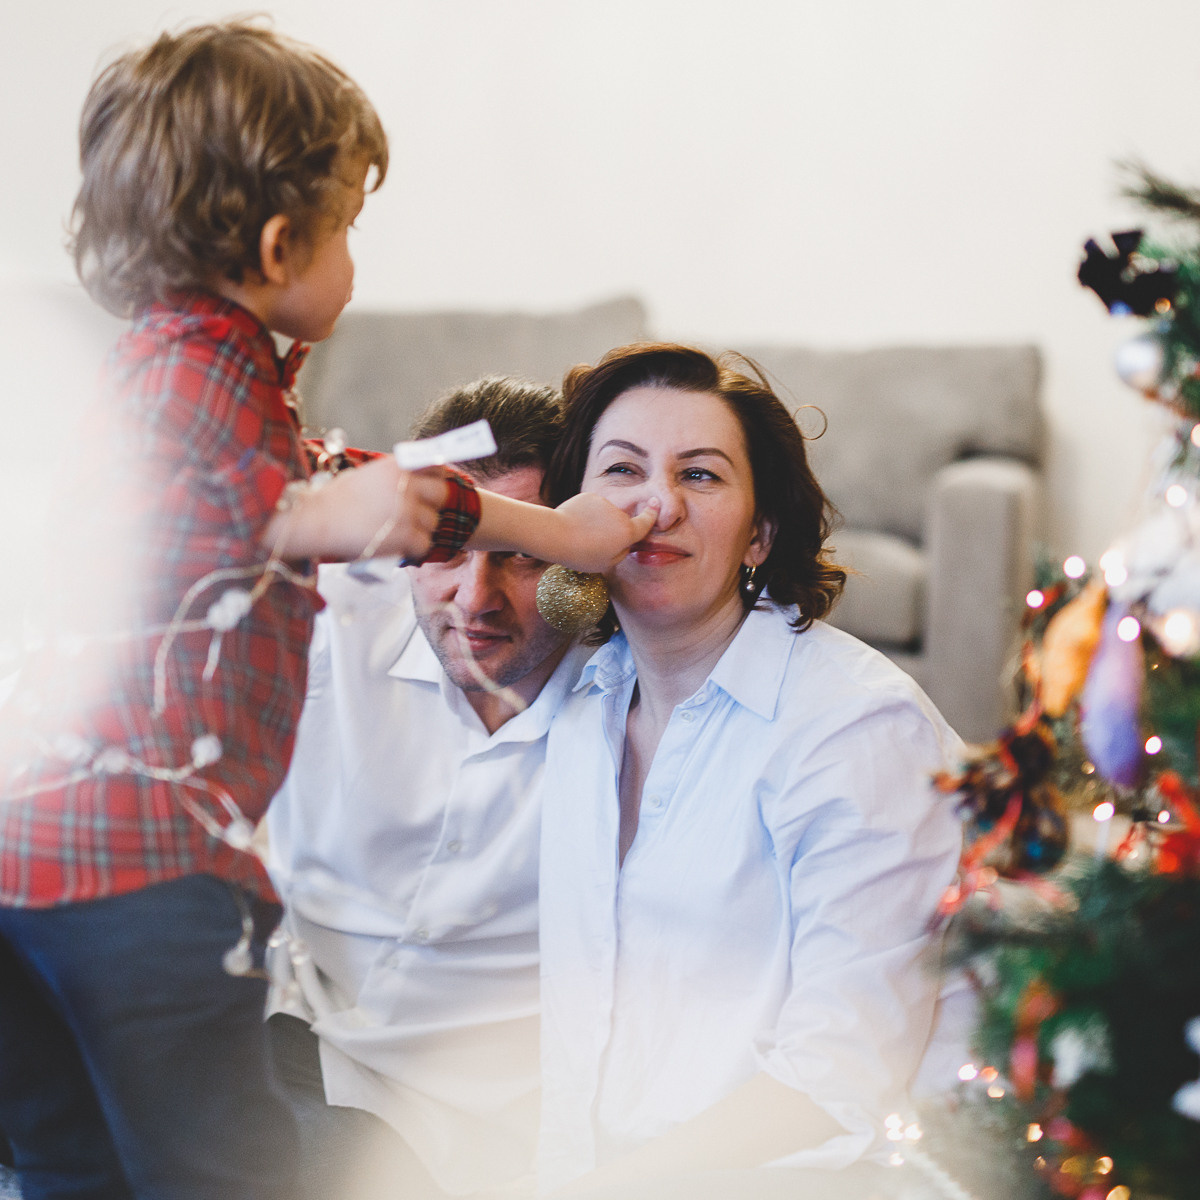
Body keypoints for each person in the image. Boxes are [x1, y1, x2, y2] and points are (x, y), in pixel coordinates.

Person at [0, 23, 652, 1200]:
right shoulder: (193, 377)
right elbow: (316, 506)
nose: (356, 255)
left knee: (67, 1164)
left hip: (29, 871)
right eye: (349, 223)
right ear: (277, 241)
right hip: (141, 878)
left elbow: (346, 478)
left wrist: (561, 533)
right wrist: (330, 514)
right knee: (224, 1172)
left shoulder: (183, 372)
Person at [535, 343, 965, 1196]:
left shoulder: (853, 729)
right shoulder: (584, 703)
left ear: (760, 534)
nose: (655, 507)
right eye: (622, 472)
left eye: (700, 477)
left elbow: (837, 1078)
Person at [265, 377, 584, 1199]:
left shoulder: (640, 701)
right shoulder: (325, 616)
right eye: (447, 550)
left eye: (520, 552)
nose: (475, 599)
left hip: (475, 1122)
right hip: (291, 1036)